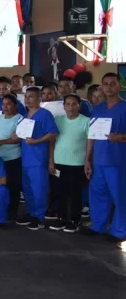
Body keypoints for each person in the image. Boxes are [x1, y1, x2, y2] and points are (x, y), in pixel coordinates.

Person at [83, 73, 126, 244]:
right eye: (105, 84)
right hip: (99, 159)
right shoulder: (98, 108)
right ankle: (98, 225)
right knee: (98, 194)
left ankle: (119, 230)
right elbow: (91, 136)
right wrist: (87, 158)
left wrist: (121, 138)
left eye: (112, 84)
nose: (109, 87)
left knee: (120, 195)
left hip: (118, 160)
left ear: (119, 86)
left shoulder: (124, 107)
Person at [16, 86, 59, 230]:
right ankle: (31, 212)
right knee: (27, 188)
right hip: (26, 158)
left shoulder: (44, 114)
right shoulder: (25, 116)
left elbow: (53, 133)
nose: (27, 99)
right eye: (26, 96)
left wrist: (37, 141)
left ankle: (39, 217)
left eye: (31, 96)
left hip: (38, 158)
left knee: (39, 189)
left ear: (39, 99)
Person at [47, 94, 89, 233]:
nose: (71, 107)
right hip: (59, 163)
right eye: (68, 104)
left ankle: (74, 221)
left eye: (74, 104)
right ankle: (62, 218)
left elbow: (90, 144)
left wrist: (88, 160)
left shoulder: (86, 121)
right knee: (60, 193)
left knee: (75, 194)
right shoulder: (58, 121)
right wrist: (51, 161)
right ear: (64, 106)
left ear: (79, 106)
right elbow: (52, 143)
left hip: (77, 164)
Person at [0, 94, 23, 221]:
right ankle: (0, 208)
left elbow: (19, 139)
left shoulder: (19, 119)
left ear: (15, 105)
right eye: (3, 104)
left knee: (12, 186)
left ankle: (12, 211)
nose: (5, 106)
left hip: (12, 158)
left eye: (8, 104)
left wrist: (1, 142)